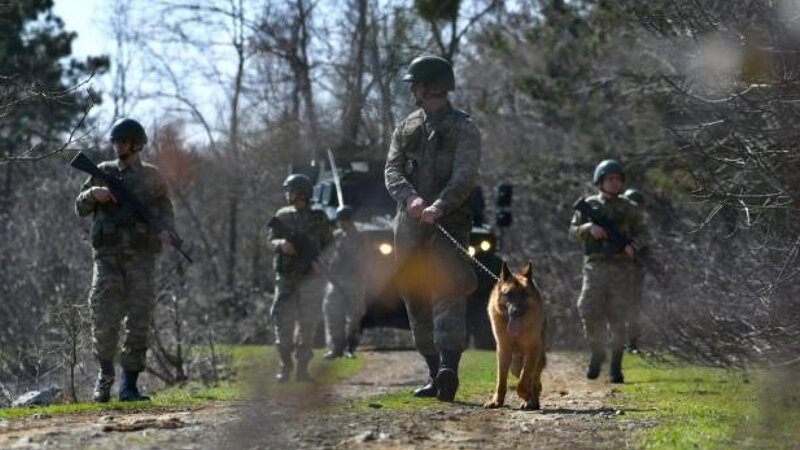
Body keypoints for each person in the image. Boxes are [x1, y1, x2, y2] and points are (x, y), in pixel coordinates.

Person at [384, 55, 481, 402]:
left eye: (415, 83)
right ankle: (432, 371)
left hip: (448, 223)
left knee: (448, 292)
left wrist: (439, 205)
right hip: (409, 226)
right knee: (414, 295)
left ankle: (448, 370)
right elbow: (392, 170)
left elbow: (465, 176)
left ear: (430, 86)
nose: (411, 88)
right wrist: (410, 199)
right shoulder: (406, 126)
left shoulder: (464, 127)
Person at [75, 118, 176, 402]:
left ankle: (129, 385)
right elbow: (79, 207)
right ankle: (105, 378)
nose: (118, 146)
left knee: (139, 321)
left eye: (124, 141)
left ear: (137, 144)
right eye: (116, 141)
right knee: (104, 318)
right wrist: (93, 193)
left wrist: (167, 232)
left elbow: (166, 213)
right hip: (107, 258)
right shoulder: (103, 171)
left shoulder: (154, 177)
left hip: (142, 259)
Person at [569, 159, 649, 384]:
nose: (614, 183)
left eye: (617, 179)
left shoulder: (630, 208)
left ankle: (616, 366)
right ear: (600, 181)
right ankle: (597, 351)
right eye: (609, 179)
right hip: (595, 266)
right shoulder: (589, 205)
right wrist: (588, 228)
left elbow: (644, 233)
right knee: (588, 309)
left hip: (622, 268)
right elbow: (572, 232)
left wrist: (634, 245)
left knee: (618, 318)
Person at [268, 173, 333, 382]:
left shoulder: (319, 217)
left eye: (290, 190)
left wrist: (321, 262)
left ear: (300, 193)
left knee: (308, 324)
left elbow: (330, 246)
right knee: (282, 322)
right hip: (286, 278)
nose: (287, 194)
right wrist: (281, 245)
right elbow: (270, 240)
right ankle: (285, 366)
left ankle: (302, 369)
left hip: (311, 279)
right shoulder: (282, 215)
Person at [322, 205, 366, 360]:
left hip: (354, 280)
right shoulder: (335, 236)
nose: (342, 223)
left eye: (345, 220)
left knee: (354, 316)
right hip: (335, 279)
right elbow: (326, 255)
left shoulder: (360, 237)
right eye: (340, 220)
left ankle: (351, 347)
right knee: (332, 313)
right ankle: (335, 348)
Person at [622, 188, 647, 354]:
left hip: (635, 272)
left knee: (633, 308)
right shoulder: (619, 223)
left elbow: (646, 244)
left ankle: (632, 343)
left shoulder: (641, 227)